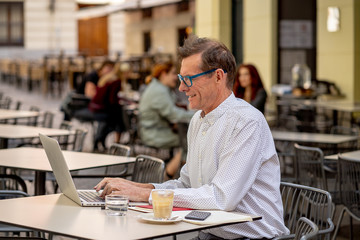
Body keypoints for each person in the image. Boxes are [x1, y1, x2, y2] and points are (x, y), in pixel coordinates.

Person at [94, 35, 289, 239]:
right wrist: (138, 187)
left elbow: (221, 198)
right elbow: (186, 185)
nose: (181, 88)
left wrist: (145, 195)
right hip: (211, 233)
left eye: (188, 79)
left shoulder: (247, 122)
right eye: (180, 79)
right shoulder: (198, 120)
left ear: (218, 77)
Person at [138, 62, 194, 178]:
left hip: (156, 130)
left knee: (187, 139)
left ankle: (180, 174)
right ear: (164, 74)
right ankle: (170, 175)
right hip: (154, 134)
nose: (176, 77)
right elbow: (174, 115)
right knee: (189, 141)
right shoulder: (159, 91)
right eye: (173, 74)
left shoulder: (159, 87)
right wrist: (197, 114)